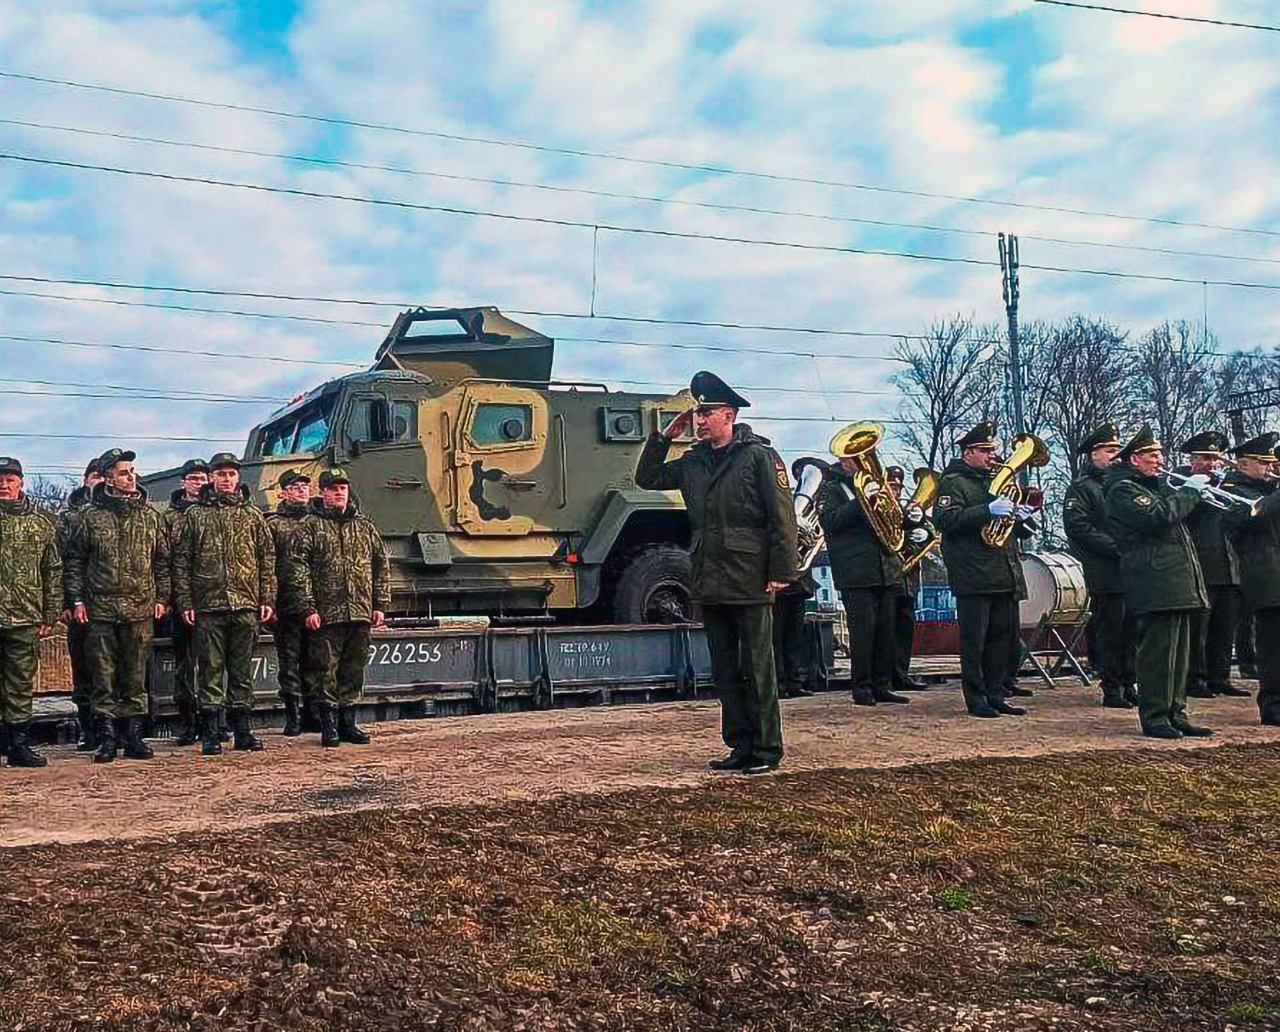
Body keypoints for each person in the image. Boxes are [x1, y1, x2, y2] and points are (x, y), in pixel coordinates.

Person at [635, 371, 797, 776]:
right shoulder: (694, 461)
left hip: (751, 575)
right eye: (698, 413)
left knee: (758, 667)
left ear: (729, 414)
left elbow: (782, 518)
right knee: (725, 670)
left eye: (706, 413)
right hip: (709, 575)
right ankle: (739, 745)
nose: (700, 419)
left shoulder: (759, 457)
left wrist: (782, 571)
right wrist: (663, 439)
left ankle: (766, 748)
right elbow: (647, 478)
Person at [1104, 425, 1212, 739]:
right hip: (1154, 579)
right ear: (1134, 459)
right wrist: (1190, 490)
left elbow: (1177, 516)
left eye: (1160, 454)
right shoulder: (1123, 489)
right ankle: (1155, 716)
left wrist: (1195, 494)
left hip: (1177, 579)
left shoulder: (1158, 487)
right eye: (1152, 455)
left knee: (1179, 653)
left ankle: (1176, 712)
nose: (1159, 460)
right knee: (1158, 654)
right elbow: (1159, 517)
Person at [64, 448, 170, 763]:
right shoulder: (88, 516)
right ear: (108, 476)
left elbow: (162, 562)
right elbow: (74, 562)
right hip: (101, 609)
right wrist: (77, 600)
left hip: (139, 608)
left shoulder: (150, 516)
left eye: (133, 471)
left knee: (135, 675)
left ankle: (133, 736)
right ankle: (107, 738)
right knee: (103, 675)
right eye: (124, 472)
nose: (131, 477)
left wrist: (162, 598)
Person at [174, 452, 276, 756]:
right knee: (210, 670)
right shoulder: (195, 516)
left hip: (245, 604)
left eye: (231, 474)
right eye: (220, 474)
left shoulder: (252, 516)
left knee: (242, 671)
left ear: (238, 478)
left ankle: (243, 731)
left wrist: (267, 598)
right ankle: (211, 734)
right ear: (212, 478)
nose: (226, 479)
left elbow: (266, 560)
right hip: (209, 606)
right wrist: (185, 601)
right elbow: (182, 562)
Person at [284, 468, 389, 747]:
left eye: (343, 487)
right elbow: (298, 570)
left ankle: (348, 725)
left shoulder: (365, 526)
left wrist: (380, 603)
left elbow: (380, 565)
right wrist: (308, 608)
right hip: (327, 614)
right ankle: (328, 727)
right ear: (324, 493)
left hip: (360, 612)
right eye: (332, 488)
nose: (339, 492)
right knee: (324, 671)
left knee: (353, 670)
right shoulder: (311, 526)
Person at [933, 422, 1032, 718]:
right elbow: (945, 519)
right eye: (986, 451)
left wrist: (1019, 518)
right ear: (968, 452)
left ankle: (995, 693)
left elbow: (1004, 530)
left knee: (1002, 640)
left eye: (993, 451)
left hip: (1003, 572)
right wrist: (987, 510)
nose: (993, 456)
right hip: (974, 574)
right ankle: (976, 698)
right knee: (975, 643)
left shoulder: (994, 482)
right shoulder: (953, 482)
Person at [816, 434, 909, 707]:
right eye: (852, 457)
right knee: (863, 633)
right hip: (856, 571)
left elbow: (894, 522)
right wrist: (860, 502)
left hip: (885, 568)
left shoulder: (876, 484)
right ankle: (862, 687)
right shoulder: (832, 488)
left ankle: (882, 684)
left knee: (885, 632)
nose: (858, 461)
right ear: (843, 461)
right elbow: (830, 522)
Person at [1063, 424, 1136, 708]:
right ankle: (1112, 687)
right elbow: (1079, 527)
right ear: (1093, 454)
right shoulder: (1082, 488)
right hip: (1105, 568)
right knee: (1111, 629)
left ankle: (1129, 682)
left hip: (1132, 568)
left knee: (1132, 629)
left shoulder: (1123, 484)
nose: (1116, 456)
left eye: (1118, 450)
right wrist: (1118, 548)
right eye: (1110, 450)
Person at [0, 457, 61, 767]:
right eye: (0, 478)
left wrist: (50, 614)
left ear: (21, 483)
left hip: (25, 617)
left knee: (21, 683)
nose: (3, 484)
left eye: (10, 478)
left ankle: (18, 745)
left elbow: (52, 569)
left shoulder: (41, 522)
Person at [1178, 432, 1248, 699]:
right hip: (1200, 564)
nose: (1212, 464)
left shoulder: (1228, 485)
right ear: (1192, 460)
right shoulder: (1183, 484)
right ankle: (1194, 679)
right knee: (1199, 630)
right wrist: (1197, 488)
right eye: (1206, 458)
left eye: (1216, 459)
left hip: (1230, 566)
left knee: (1225, 626)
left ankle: (1219, 677)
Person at [1219, 433, 1280, 725]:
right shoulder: (1232, 489)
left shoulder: (1268, 490)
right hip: (1266, 577)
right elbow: (1254, 517)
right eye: (1264, 463)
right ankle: (1273, 705)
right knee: (1272, 647)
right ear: (1244, 464)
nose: (1270, 468)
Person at [57, 458, 103, 751]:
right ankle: (89, 729)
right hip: (79, 606)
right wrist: (65, 602)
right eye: (94, 476)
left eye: (103, 476)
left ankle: (114, 729)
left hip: (110, 605)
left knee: (110, 672)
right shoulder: (69, 517)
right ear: (86, 480)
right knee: (84, 670)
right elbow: (59, 563)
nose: (98, 481)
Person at [163, 458, 209, 745]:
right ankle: (186, 721)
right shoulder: (169, 518)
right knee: (185, 666)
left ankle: (212, 720)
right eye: (193, 478)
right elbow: (165, 561)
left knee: (214, 665)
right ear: (183, 483)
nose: (199, 483)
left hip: (212, 600)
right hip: (183, 601)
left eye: (203, 478)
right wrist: (175, 600)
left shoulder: (214, 513)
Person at [269, 469, 317, 736]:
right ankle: (293, 716)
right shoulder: (273, 525)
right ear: (284, 492)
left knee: (315, 662)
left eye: (304, 486)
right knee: (289, 664)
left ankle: (312, 713)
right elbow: (265, 566)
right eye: (295, 486)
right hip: (285, 605)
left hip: (317, 607)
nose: (301, 490)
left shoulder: (318, 523)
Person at [886, 465, 929, 692]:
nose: (897, 491)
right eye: (892, 487)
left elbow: (929, 533)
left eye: (899, 487)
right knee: (887, 631)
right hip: (891, 579)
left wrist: (922, 534)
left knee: (905, 630)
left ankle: (901, 674)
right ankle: (886, 676)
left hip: (909, 580)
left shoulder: (909, 512)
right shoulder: (881, 511)